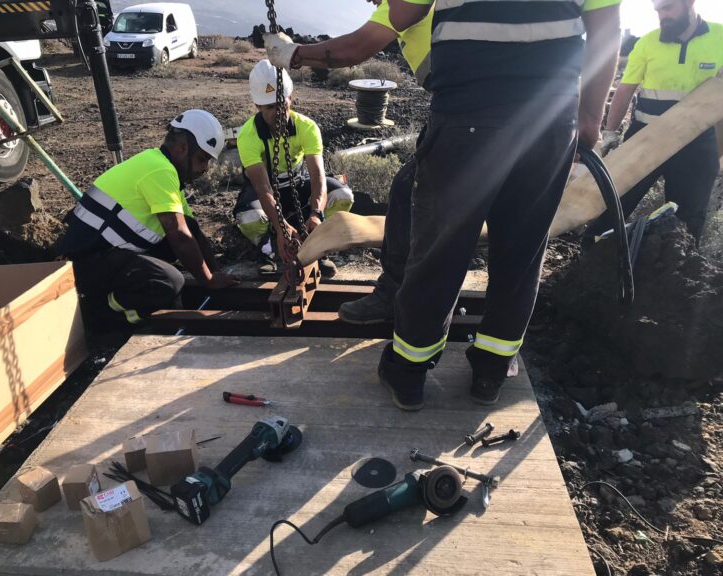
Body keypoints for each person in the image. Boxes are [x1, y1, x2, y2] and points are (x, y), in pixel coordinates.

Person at [360, 0, 623, 411]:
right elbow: (607, 28)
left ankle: (408, 372)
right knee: (522, 252)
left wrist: (294, 54)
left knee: (440, 249)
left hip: (466, 115)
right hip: (548, 121)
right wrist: (589, 118)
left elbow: (376, 31)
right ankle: (491, 373)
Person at [266, 0, 432, 323]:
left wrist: (294, 54)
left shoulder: (403, 5)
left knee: (408, 194)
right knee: (409, 193)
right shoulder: (394, 7)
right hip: (482, 101)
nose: (369, 1)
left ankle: (399, 297)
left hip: (472, 106)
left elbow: (355, 48)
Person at [56, 109, 237, 327]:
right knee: (168, 282)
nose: (205, 169)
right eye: (202, 159)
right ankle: (102, 311)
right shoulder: (160, 171)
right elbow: (179, 236)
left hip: (103, 256)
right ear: (182, 148)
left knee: (187, 230)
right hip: (83, 267)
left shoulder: (162, 167)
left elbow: (191, 232)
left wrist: (216, 274)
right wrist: (207, 280)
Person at [591, 0, 723, 242]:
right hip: (646, 136)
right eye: (658, 10)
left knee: (688, 216)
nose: (662, 16)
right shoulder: (648, 42)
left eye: (668, 8)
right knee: (615, 200)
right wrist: (610, 132)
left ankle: (674, 269)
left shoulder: (720, 37)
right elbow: (625, 89)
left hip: (695, 141)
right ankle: (591, 251)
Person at [233, 59, 354, 276]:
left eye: (283, 104)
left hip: (299, 183)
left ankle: (319, 246)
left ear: (292, 98)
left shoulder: (307, 128)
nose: (278, 112)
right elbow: (263, 189)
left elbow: (318, 176)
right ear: (258, 106)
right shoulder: (248, 136)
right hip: (268, 190)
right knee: (248, 217)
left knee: (342, 195)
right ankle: (269, 248)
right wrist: (280, 226)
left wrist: (317, 213)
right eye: (270, 107)